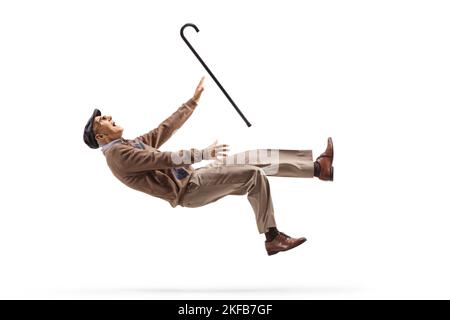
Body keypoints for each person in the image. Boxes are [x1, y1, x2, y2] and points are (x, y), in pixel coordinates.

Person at [83, 77, 334, 256]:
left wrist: (191, 103)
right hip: (190, 190)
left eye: (104, 115)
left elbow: (163, 130)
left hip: (197, 176)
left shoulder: (126, 144)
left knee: (255, 156)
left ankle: (317, 168)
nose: (107, 117)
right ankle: (272, 238)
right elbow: (162, 159)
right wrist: (202, 153)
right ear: (100, 137)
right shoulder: (117, 156)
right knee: (254, 176)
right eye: (100, 121)